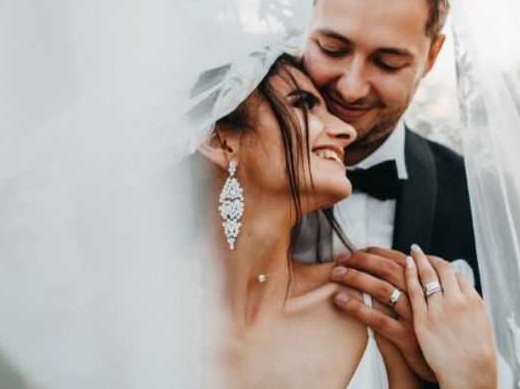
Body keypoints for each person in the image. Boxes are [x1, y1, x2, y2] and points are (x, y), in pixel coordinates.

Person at [198, 53, 497, 388]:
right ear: (218, 139)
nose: (345, 131)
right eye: (304, 104)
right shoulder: (137, 310)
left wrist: (474, 378)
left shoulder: (375, 313)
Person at [292, 0, 483, 384]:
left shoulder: (480, 204)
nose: (352, 88)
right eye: (333, 48)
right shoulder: (215, 171)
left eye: (388, 61)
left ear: (431, 58)